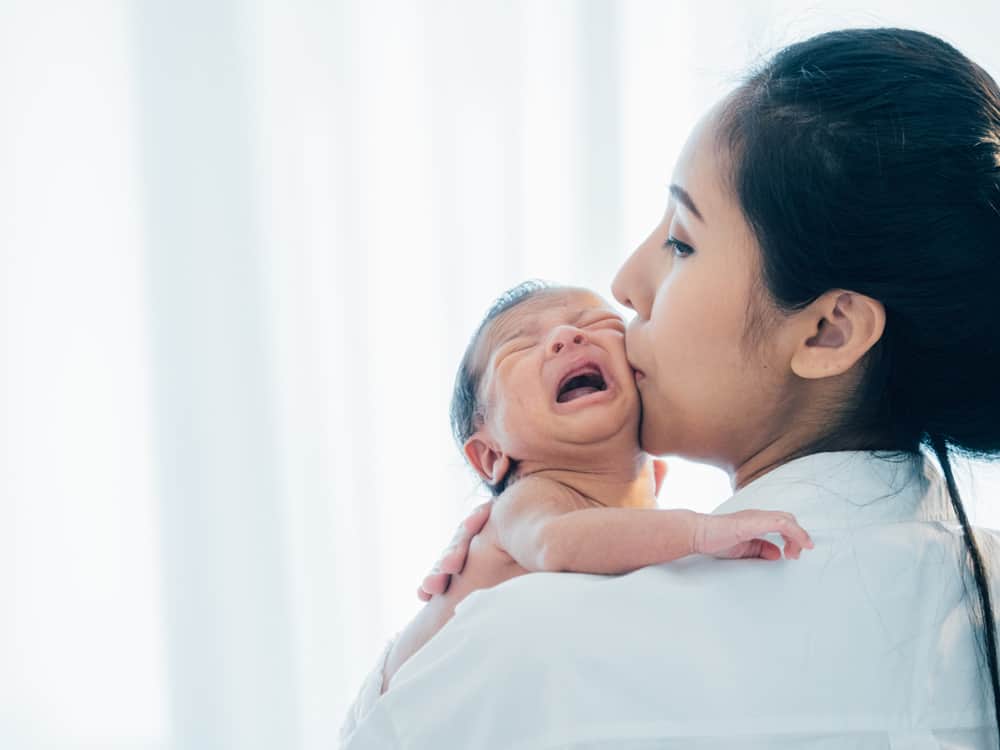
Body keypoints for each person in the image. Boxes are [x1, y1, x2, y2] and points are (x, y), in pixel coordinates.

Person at [346, 27, 1000, 748]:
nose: (625, 284)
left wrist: (445, 618)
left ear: (827, 332)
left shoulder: (532, 649)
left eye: (681, 242)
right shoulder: (980, 605)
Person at [338, 282, 814, 742]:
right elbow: (559, 541)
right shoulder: (530, 501)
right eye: (519, 347)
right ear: (490, 455)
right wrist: (700, 532)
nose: (567, 337)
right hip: (392, 712)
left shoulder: (638, 516)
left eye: (598, 323)